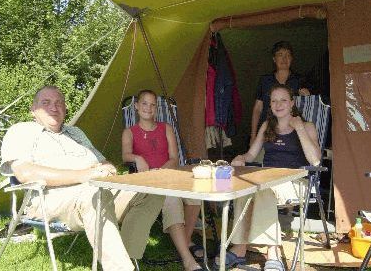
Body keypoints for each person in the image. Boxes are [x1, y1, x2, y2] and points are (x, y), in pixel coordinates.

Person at [0, 85, 164, 271]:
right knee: (95, 195)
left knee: (151, 193)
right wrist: (84, 175)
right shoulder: (22, 131)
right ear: (33, 110)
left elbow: (102, 161)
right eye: (46, 103)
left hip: (98, 190)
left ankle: (125, 254)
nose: (54, 107)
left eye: (59, 103)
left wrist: (108, 168)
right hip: (52, 200)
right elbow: (25, 173)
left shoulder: (76, 133)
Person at [218, 84, 321, 270]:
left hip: (297, 182)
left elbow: (315, 161)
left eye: (283, 100)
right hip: (269, 179)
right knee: (245, 189)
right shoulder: (267, 126)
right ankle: (241, 248)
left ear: (292, 103)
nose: (278, 104)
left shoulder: (307, 126)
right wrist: (240, 158)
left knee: (263, 190)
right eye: (274, 101)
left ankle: (272, 252)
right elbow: (250, 155)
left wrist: (299, 129)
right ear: (270, 105)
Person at [121, 89, 203, 271]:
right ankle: (187, 259)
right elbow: (125, 155)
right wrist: (137, 157)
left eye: (152, 105)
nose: (148, 108)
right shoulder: (129, 132)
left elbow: (174, 158)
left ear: (156, 108)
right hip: (147, 181)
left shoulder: (166, 127)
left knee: (195, 197)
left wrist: (162, 172)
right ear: (136, 106)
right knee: (172, 199)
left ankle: (185, 241)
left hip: (168, 174)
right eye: (144, 103)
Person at [250, 41, 311, 146]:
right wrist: (253, 136)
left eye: (288, 55)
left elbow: (307, 107)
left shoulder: (300, 80)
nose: (284, 59)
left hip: (292, 134)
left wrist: (307, 97)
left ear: (291, 59)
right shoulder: (265, 80)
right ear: (274, 59)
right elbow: (257, 109)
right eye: (280, 55)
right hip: (267, 133)